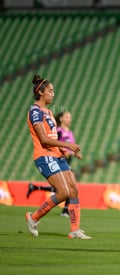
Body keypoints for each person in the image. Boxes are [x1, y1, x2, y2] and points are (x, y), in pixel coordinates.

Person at [26, 74, 91, 239]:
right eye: (50, 90)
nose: (53, 94)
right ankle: (33, 218)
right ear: (41, 92)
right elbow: (44, 140)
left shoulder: (48, 112)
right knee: (63, 192)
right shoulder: (35, 112)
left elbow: (53, 138)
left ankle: (74, 230)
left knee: (73, 189)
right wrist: (67, 145)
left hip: (56, 154)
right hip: (44, 155)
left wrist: (61, 150)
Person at [26, 110, 83, 217]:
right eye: (67, 116)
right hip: (56, 159)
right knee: (66, 188)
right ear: (61, 119)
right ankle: (64, 210)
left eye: (70, 117)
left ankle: (36, 189)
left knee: (69, 187)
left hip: (66, 161)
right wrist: (64, 147)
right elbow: (53, 142)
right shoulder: (58, 131)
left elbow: (69, 149)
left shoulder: (70, 133)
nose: (69, 119)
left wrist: (75, 154)